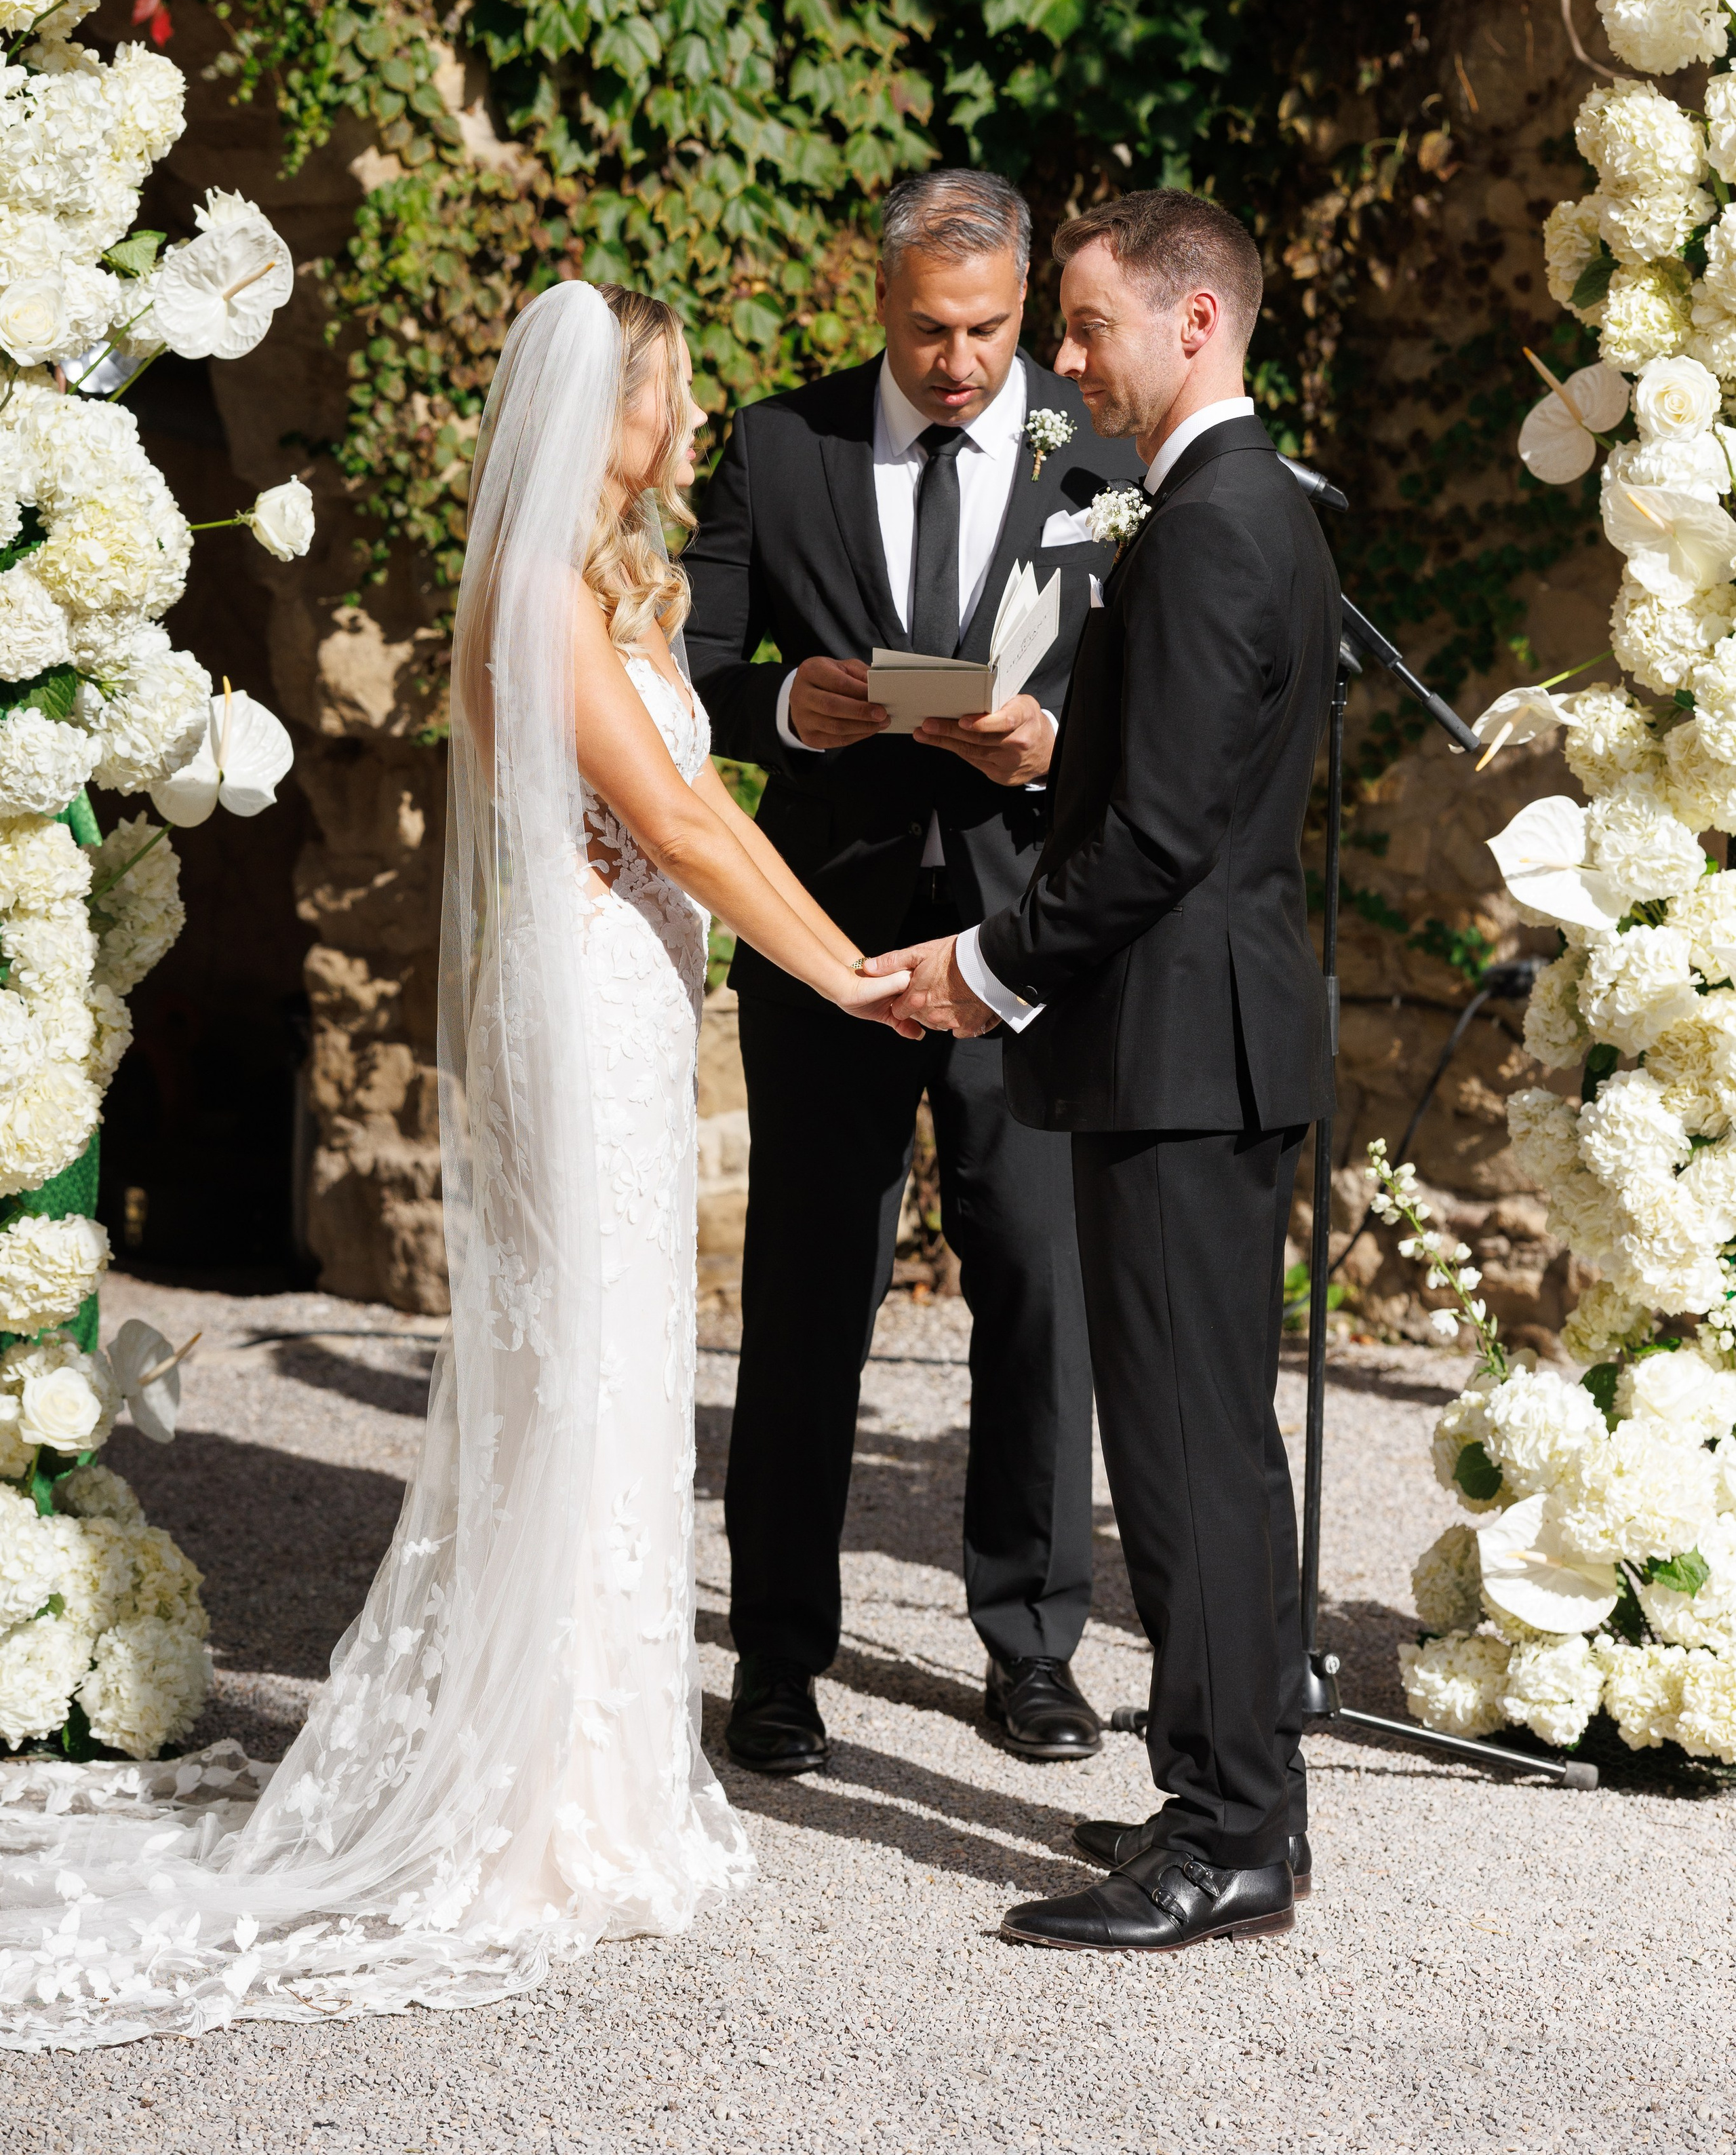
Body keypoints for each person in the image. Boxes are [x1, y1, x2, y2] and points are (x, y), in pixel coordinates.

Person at [0, 281, 912, 2047]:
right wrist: (852, 975)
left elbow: (698, 820)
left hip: (636, 992)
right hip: (588, 999)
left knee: (630, 1367)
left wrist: (834, 970)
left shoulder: (599, 589)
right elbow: (678, 818)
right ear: (611, 409)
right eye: (675, 390)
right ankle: (554, 1809)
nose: (693, 416)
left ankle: (606, 1772)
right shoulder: (543, 600)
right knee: (587, 1373)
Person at [866, 189, 1339, 1952]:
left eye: (1086, 327)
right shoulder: (1233, 508)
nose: (1064, 364)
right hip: (1196, 1043)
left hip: (1182, 1049)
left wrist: (982, 976)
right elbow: (1159, 795)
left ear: (1194, 323)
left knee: (1191, 1455)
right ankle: (1240, 1808)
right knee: (1207, 1444)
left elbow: (1154, 845)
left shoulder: (1218, 522)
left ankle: (1224, 1836)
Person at [682, 169, 1145, 1774]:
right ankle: (777, 1660)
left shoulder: (1098, 448)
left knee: (1036, 1286)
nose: (958, 362)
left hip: (1029, 936)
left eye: (989, 330)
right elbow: (684, 668)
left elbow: (1164, 692)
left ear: (1023, 306)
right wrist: (779, 712)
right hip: (827, 933)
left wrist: (1049, 738)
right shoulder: (775, 444)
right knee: (809, 1294)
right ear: (874, 301)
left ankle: (1030, 1645)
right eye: (928, 330)